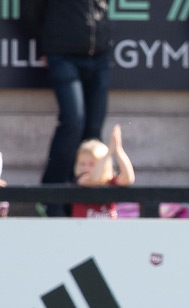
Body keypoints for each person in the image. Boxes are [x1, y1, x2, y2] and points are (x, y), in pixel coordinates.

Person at [21, 0, 113, 217]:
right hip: (62, 55)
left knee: (93, 131)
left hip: (99, 57)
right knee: (73, 121)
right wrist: (48, 43)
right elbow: (30, 13)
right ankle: (51, 195)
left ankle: (85, 199)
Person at [71, 124, 135, 219]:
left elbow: (128, 179)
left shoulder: (109, 182)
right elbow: (94, 179)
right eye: (82, 163)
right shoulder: (80, 180)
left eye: (91, 164)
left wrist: (118, 150)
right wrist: (109, 152)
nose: (85, 168)